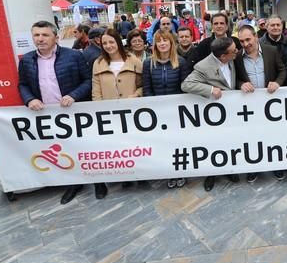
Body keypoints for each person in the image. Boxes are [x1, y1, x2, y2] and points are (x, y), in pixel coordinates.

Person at [18, 20, 91, 204]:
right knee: (61, 151)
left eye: (45, 35)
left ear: (55, 38)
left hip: (74, 112)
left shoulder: (74, 56)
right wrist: (30, 99)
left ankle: (97, 181)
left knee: (83, 148)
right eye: (36, 35)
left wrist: (74, 95)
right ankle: (73, 183)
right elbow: (23, 84)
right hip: (46, 115)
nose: (40, 39)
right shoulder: (26, 60)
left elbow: (88, 80)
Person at [182, 37, 243, 191]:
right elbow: (186, 84)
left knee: (230, 143)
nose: (237, 51)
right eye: (234, 50)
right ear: (223, 56)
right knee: (214, 144)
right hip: (213, 115)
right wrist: (210, 90)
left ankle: (230, 170)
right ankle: (211, 175)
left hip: (231, 111)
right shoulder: (203, 66)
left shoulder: (232, 59)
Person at [91, 28, 143, 197]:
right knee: (116, 145)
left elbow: (143, 84)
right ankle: (122, 175)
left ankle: (140, 173)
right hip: (109, 113)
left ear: (118, 42)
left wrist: (135, 95)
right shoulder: (98, 63)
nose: (108, 45)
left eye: (111, 42)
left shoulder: (133, 60)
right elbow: (96, 91)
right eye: (104, 43)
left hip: (131, 112)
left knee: (134, 144)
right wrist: (100, 110)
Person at [237, 25, 287, 182]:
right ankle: (254, 167)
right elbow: (234, 78)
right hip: (250, 106)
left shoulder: (270, 51)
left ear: (256, 37)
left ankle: (276, 166)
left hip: (270, 104)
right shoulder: (237, 57)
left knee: (273, 136)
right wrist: (240, 84)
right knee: (253, 138)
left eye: (248, 39)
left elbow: (282, 70)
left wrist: (278, 83)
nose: (245, 44)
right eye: (241, 41)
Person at [144, 31, 191, 188]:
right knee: (163, 144)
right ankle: (169, 172)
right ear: (155, 44)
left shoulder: (181, 62)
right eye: (159, 41)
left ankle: (181, 171)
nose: (162, 43)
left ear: (171, 43)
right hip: (158, 114)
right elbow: (147, 89)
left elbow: (185, 87)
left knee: (178, 143)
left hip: (177, 113)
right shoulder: (148, 63)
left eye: (166, 40)